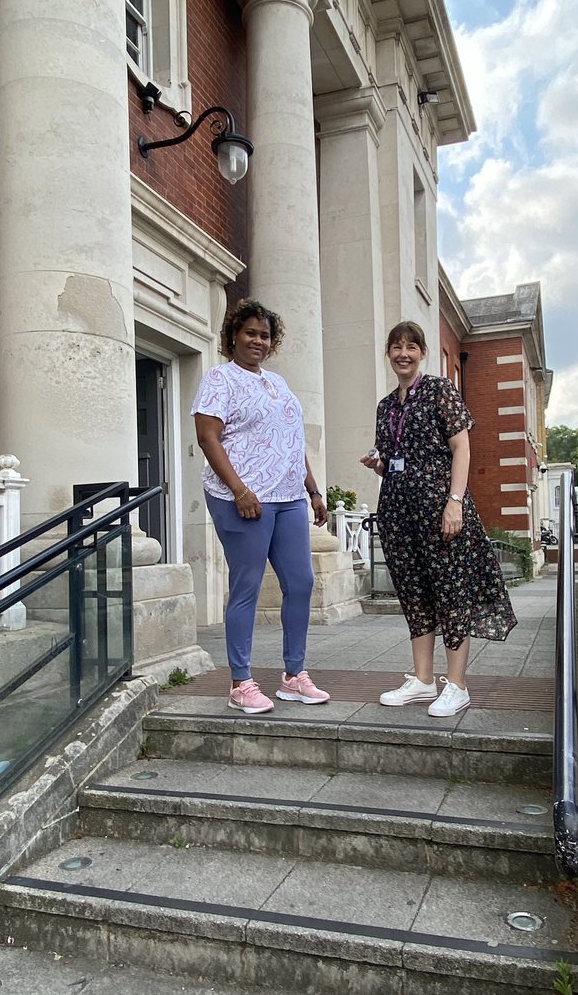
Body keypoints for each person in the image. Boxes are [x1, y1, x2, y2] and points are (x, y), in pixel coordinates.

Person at [360, 321, 517, 717]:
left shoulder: (439, 390)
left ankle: (457, 685)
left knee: (451, 591)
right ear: (388, 354)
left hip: (438, 506)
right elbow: (394, 463)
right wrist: (378, 464)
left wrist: (455, 502)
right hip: (398, 511)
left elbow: (461, 447)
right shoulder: (386, 406)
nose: (403, 354)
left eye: (411, 347)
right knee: (414, 593)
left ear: (422, 352)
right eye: (396, 347)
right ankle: (423, 680)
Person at [191, 298, 330, 714]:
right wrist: (239, 490)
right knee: (247, 586)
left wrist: (313, 489)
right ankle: (240, 682)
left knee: (301, 583)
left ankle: (293, 675)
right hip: (243, 499)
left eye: (264, 335)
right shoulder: (220, 379)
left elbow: (291, 440)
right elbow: (208, 438)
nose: (257, 340)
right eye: (250, 332)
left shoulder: (279, 383)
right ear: (233, 335)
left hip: (288, 497)